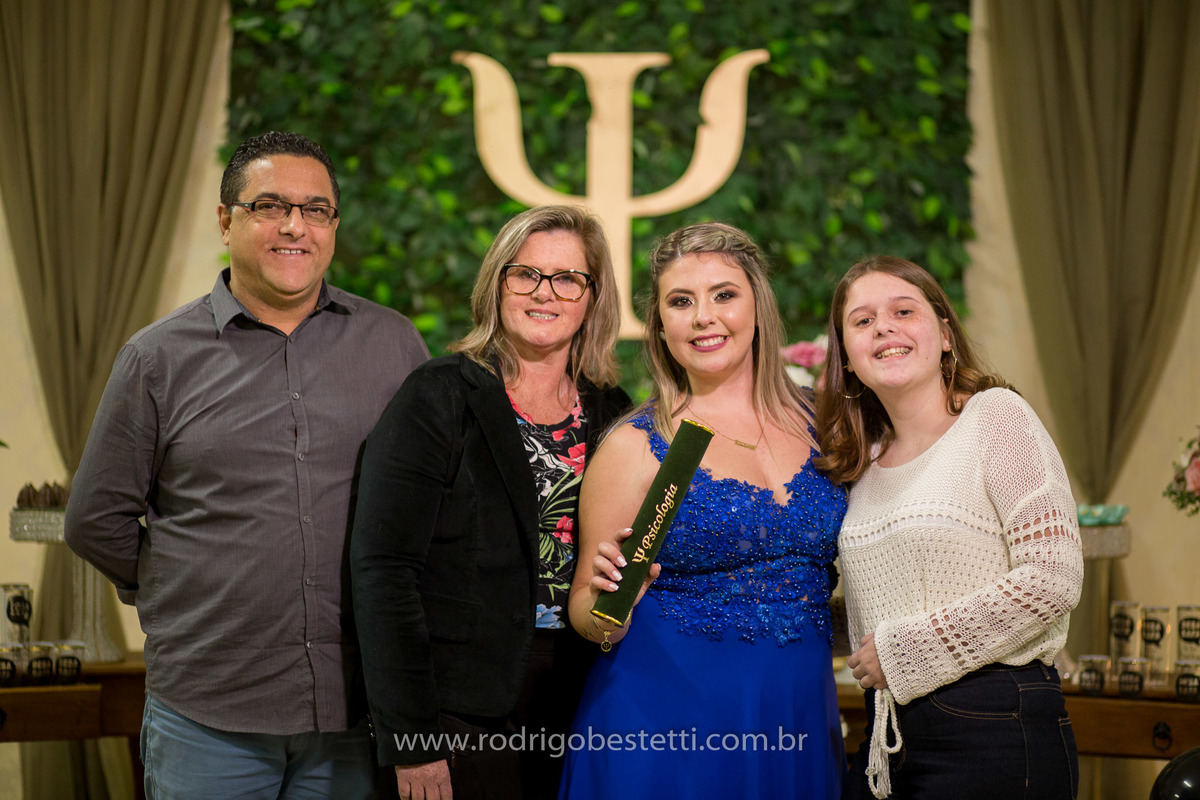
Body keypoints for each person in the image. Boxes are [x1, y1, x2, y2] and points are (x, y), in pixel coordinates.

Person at [64, 131, 430, 798]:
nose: (295, 225)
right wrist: (179, 584)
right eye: (270, 205)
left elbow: (430, 507)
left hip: (353, 709)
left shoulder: (394, 344)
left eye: (317, 209)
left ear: (335, 227)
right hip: (208, 714)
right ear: (226, 220)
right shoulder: (156, 358)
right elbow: (95, 519)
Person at [349, 205, 630, 800]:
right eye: (525, 273)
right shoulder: (439, 395)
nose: (544, 293)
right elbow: (383, 571)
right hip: (459, 714)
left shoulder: (610, 407)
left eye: (567, 279)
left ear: (591, 297)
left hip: (585, 701)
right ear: (498, 283)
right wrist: (410, 739)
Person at [559, 222, 847, 799]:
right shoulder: (635, 446)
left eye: (724, 295)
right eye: (681, 302)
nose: (703, 317)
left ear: (757, 307)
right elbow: (587, 614)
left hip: (797, 714)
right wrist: (611, 605)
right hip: (665, 722)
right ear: (661, 327)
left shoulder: (828, 424)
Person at [816, 255, 1083, 799]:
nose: (883, 327)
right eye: (862, 321)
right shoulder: (861, 465)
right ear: (846, 355)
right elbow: (887, 608)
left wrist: (902, 653)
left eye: (902, 310)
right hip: (888, 736)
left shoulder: (995, 417)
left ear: (943, 332)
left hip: (994, 724)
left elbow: (1054, 577)